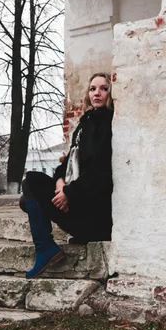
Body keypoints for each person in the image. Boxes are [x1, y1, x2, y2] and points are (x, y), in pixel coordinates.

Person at [20, 73, 114, 279]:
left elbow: (100, 173)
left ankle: (45, 248)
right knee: (27, 197)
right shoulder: (85, 123)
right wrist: (60, 184)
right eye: (93, 89)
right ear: (88, 94)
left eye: (103, 89)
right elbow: (70, 161)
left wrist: (69, 193)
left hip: (94, 217)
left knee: (32, 184)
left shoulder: (107, 124)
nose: (97, 93)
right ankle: (47, 247)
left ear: (110, 94)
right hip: (76, 203)